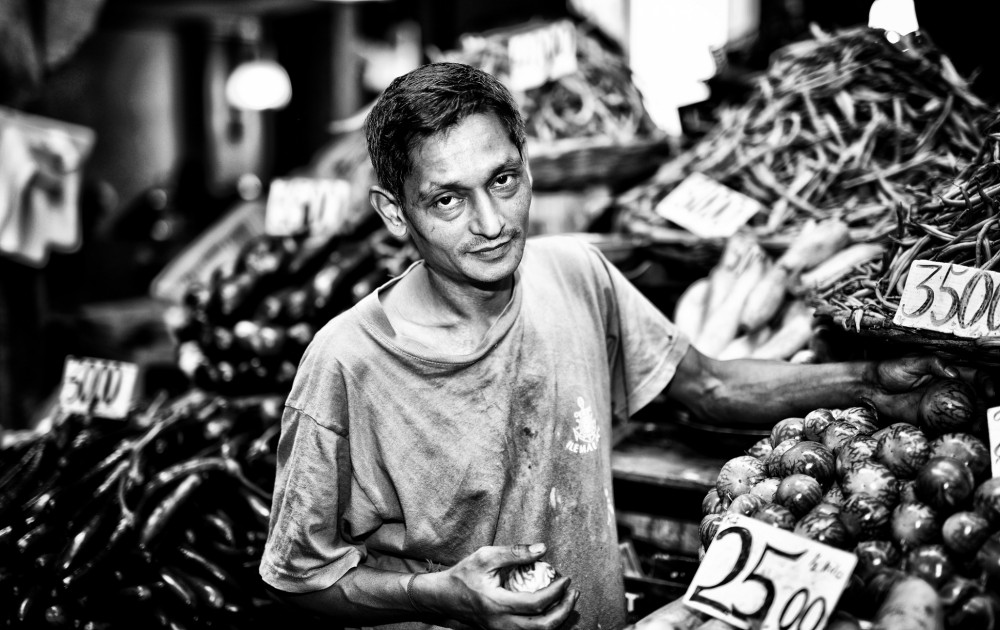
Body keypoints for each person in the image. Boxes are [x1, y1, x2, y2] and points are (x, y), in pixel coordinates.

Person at [259, 62, 992, 630]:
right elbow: (302, 577)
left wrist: (868, 382)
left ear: (527, 165)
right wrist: (443, 595)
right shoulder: (346, 363)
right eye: (447, 198)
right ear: (394, 212)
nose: (491, 222)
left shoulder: (574, 272)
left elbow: (708, 386)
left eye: (504, 180)